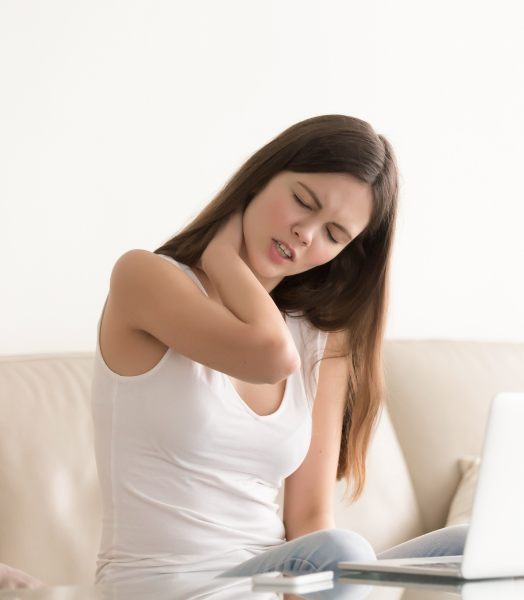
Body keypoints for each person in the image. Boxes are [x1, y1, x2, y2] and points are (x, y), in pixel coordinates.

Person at [91, 115, 469, 589]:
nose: (306, 233)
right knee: (346, 550)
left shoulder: (322, 338)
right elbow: (271, 356)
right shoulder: (144, 279)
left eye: (334, 234)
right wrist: (222, 260)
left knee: (471, 547)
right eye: (302, 202)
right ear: (262, 176)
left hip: (278, 584)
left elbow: (310, 516)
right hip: (164, 585)